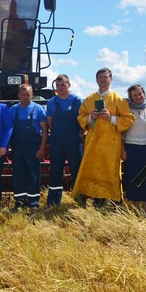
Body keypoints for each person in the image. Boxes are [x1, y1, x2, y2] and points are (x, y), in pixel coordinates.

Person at [72, 68, 135, 207]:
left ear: (111, 79)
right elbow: (80, 116)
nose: (103, 79)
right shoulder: (89, 99)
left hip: (111, 144)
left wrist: (111, 118)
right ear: (96, 80)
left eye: (105, 77)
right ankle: (86, 197)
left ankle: (111, 200)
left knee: (109, 170)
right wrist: (90, 117)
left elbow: (129, 119)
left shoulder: (118, 99)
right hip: (93, 142)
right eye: (100, 77)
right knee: (90, 169)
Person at [121, 84, 146, 214]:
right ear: (131, 97)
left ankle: (145, 209)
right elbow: (122, 133)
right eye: (135, 95)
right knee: (132, 177)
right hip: (131, 148)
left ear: (144, 93)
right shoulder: (127, 112)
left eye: (140, 93)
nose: (138, 97)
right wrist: (123, 149)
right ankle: (136, 208)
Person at [45, 75, 83, 206]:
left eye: (63, 85)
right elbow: (49, 123)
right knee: (55, 171)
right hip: (57, 142)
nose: (60, 88)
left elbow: (83, 121)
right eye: (58, 86)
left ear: (69, 85)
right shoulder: (51, 102)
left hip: (74, 141)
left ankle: (80, 200)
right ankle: (54, 202)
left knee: (76, 170)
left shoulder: (78, 101)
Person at [8, 84, 47, 211]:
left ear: (32, 94)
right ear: (18, 95)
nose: (25, 97)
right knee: (18, 173)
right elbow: (8, 129)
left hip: (33, 148)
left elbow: (44, 130)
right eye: (23, 95)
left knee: (33, 174)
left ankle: (33, 202)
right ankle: (19, 202)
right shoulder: (13, 109)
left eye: (28, 94)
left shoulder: (38, 109)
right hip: (18, 147)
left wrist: (42, 148)